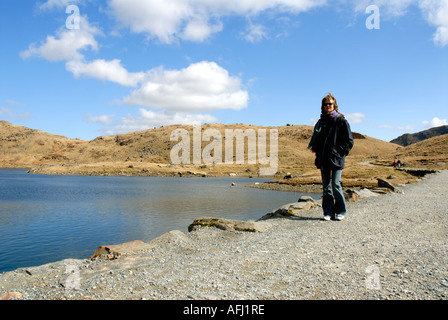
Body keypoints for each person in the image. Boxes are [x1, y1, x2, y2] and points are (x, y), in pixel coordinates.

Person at [308, 93, 354, 221]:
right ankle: (328, 212)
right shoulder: (321, 121)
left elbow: (349, 141)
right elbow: (318, 139)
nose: (328, 106)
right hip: (323, 158)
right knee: (326, 187)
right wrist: (316, 149)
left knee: (335, 184)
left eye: (330, 104)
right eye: (326, 104)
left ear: (334, 105)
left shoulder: (341, 120)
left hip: (336, 158)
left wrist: (339, 152)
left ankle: (341, 211)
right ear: (323, 106)